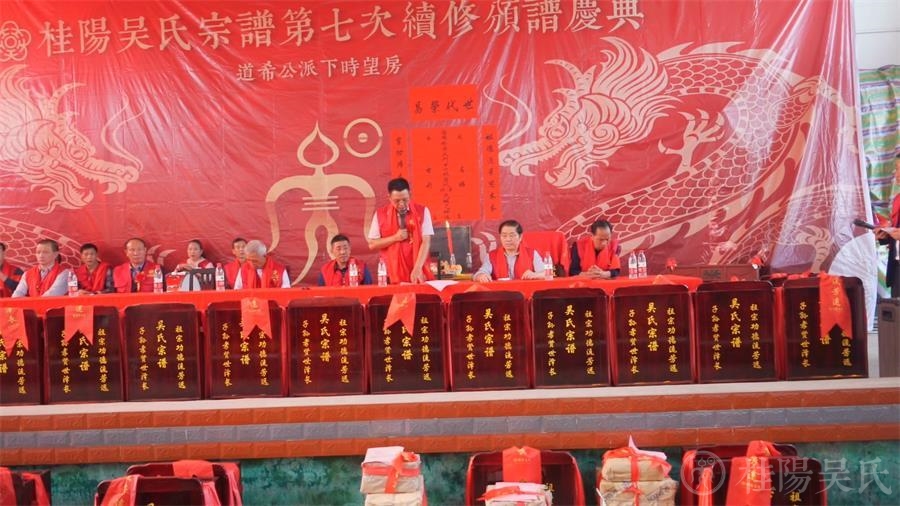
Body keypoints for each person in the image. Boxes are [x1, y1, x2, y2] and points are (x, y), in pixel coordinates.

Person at [367, 177, 434, 284]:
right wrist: (395, 238)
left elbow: (426, 241)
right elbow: (372, 244)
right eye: (397, 201)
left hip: (417, 267)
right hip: (392, 270)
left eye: (405, 199)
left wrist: (417, 268)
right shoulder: (380, 214)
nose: (401, 204)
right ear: (389, 198)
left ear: (410, 195)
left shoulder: (422, 211)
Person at [473, 220, 544, 282]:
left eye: (511, 235)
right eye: (504, 236)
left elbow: (545, 273)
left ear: (520, 237)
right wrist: (481, 276)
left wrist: (535, 275)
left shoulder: (531, 254)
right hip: (501, 292)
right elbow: (480, 273)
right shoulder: (492, 256)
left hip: (526, 292)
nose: (508, 239)